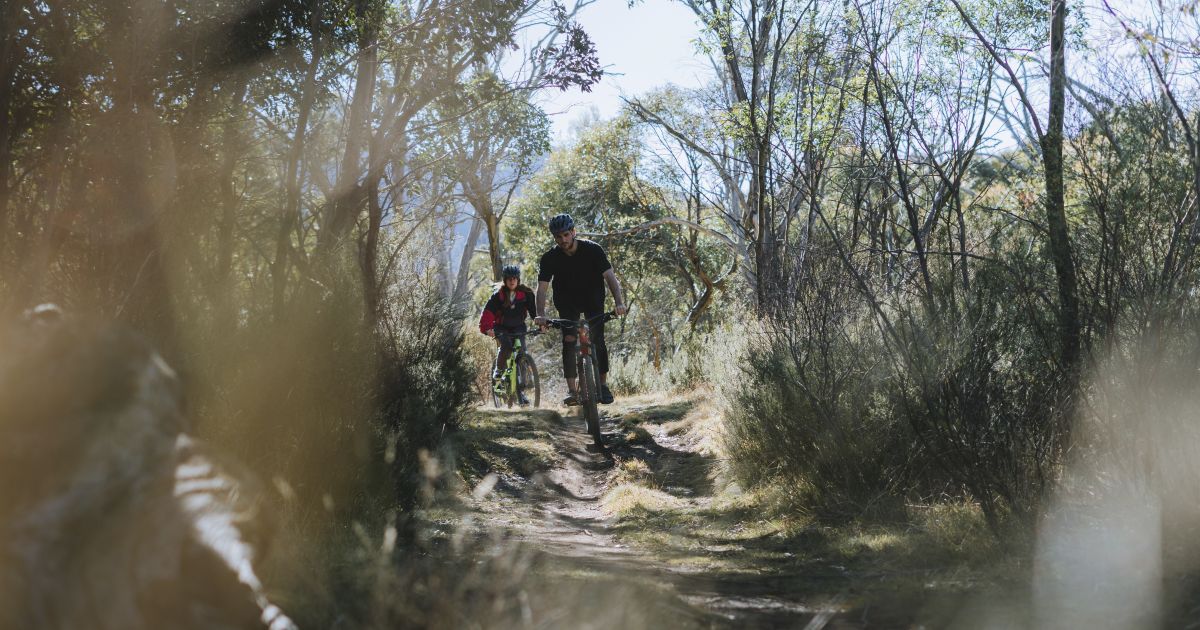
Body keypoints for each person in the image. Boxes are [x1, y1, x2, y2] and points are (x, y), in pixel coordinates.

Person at [533, 213, 627, 406]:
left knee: (597, 338)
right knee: (569, 340)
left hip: (593, 297)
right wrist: (540, 315)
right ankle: (571, 390)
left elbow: (610, 277)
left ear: (573, 232)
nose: (563, 240)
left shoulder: (593, 250)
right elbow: (542, 288)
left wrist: (619, 302)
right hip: (567, 300)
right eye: (558, 237)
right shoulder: (549, 258)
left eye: (566, 234)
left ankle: (603, 386)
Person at [478, 264, 537, 406]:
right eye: (509, 279)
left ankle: (521, 392)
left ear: (518, 279)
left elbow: (535, 313)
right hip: (501, 328)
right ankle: (498, 372)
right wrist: (487, 329)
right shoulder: (498, 296)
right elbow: (487, 314)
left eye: (515, 278)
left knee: (522, 352)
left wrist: (541, 324)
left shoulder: (526, 294)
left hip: (518, 327)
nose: (512, 281)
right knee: (506, 347)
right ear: (505, 280)